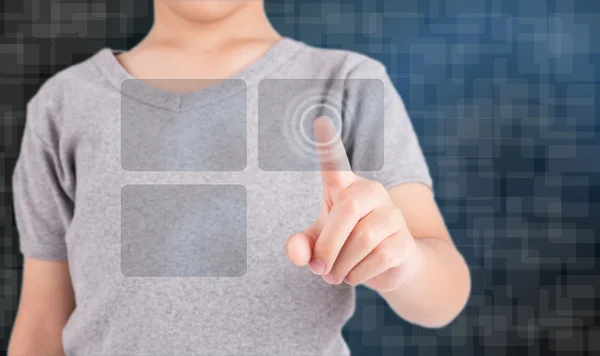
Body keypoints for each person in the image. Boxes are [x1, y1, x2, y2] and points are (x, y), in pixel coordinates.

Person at [8, 1, 471, 355]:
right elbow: (41, 326)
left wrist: (402, 262)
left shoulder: (348, 83)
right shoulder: (64, 105)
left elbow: (444, 291)